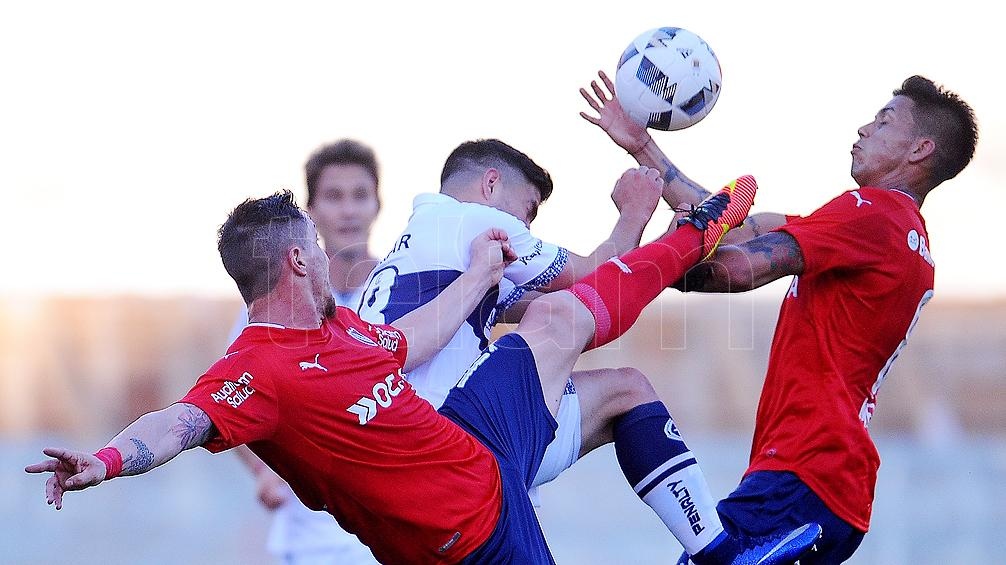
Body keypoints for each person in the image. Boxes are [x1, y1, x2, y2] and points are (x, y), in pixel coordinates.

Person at [27, 184, 822, 564]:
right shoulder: (255, 370)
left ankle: (691, 236)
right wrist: (101, 460)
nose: (333, 241)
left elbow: (407, 339)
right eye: (317, 232)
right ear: (298, 257)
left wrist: (480, 274)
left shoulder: (338, 324)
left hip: (476, 437)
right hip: (469, 539)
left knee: (556, 319)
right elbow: (176, 422)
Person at [580, 71, 979, 563]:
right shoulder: (891, 232)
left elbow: (740, 268)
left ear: (919, 150)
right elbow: (738, 227)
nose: (863, 129)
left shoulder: (872, 213)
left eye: (883, 120)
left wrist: (642, 265)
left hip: (802, 468)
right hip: (833, 487)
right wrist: (643, 148)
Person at [355, 139, 761, 557]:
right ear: (490, 184)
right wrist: (635, 212)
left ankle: (718, 551)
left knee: (625, 391)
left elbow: (596, 297)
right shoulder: (470, 220)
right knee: (558, 315)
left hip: (424, 461)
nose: (525, 230)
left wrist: (654, 246)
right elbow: (587, 281)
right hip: (455, 443)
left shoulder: (413, 253)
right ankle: (693, 236)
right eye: (527, 212)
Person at [228, 139, 383, 564]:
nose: (348, 210)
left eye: (360, 195)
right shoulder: (273, 303)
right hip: (315, 541)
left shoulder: (409, 290)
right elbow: (230, 398)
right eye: (334, 197)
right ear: (310, 211)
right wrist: (263, 472)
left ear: (377, 205)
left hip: (403, 530)